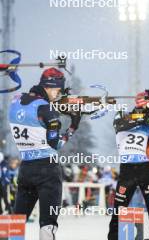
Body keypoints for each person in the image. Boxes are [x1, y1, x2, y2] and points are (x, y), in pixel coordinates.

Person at [9, 68, 81, 240]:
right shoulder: (47, 109)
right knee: (48, 224)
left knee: (16, 222)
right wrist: (72, 126)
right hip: (47, 170)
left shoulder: (15, 101)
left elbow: (33, 109)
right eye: (57, 90)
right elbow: (55, 144)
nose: (57, 94)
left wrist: (53, 108)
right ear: (50, 87)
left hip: (26, 168)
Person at [108, 90, 149, 240]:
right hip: (127, 170)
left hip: (146, 169)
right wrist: (145, 118)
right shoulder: (124, 115)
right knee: (118, 211)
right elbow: (119, 125)